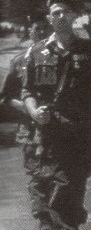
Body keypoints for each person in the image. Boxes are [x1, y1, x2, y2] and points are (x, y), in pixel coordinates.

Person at [21, 0, 91, 230]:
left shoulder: (90, 49)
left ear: (74, 16)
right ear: (50, 19)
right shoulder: (37, 51)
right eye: (56, 13)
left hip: (82, 124)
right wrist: (34, 112)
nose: (61, 16)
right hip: (51, 125)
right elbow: (27, 91)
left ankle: (57, 220)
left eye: (66, 12)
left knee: (80, 173)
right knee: (60, 177)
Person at [0, 10, 50, 167]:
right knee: (37, 175)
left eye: (45, 28)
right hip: (31, 129)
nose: (42, 32)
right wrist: (25, 107)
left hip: (60, 126)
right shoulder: (19, 61)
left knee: (64, 175)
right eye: (37, 28)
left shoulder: (63, 58)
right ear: (30, 31)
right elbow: (5, 96)